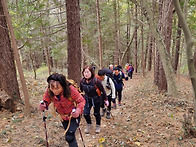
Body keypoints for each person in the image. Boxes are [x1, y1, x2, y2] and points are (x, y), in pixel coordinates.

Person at [39, 73, 85, 147]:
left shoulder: (70, 90)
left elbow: (81, 101)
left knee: (69, 136)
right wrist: (44, 105)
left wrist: (78, 110)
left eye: (57, 88)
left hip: (74, 115)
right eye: (52, 88)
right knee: (70, 136)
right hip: (63, 117)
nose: (54, 91)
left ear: (63, 86)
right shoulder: (50, 90)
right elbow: (46, 100)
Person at [80, 65, 106, 134]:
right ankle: (89, 124)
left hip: (96, 99)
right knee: (85, 113)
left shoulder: (96, 81)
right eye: (85, 72)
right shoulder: (82, 81)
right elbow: (81, 91)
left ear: (91, 72)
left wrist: (105, 99)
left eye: (88, 72)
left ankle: (98, 125)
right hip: (87, 99)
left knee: (96, 113)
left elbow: (102, 90)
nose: (86, 74)